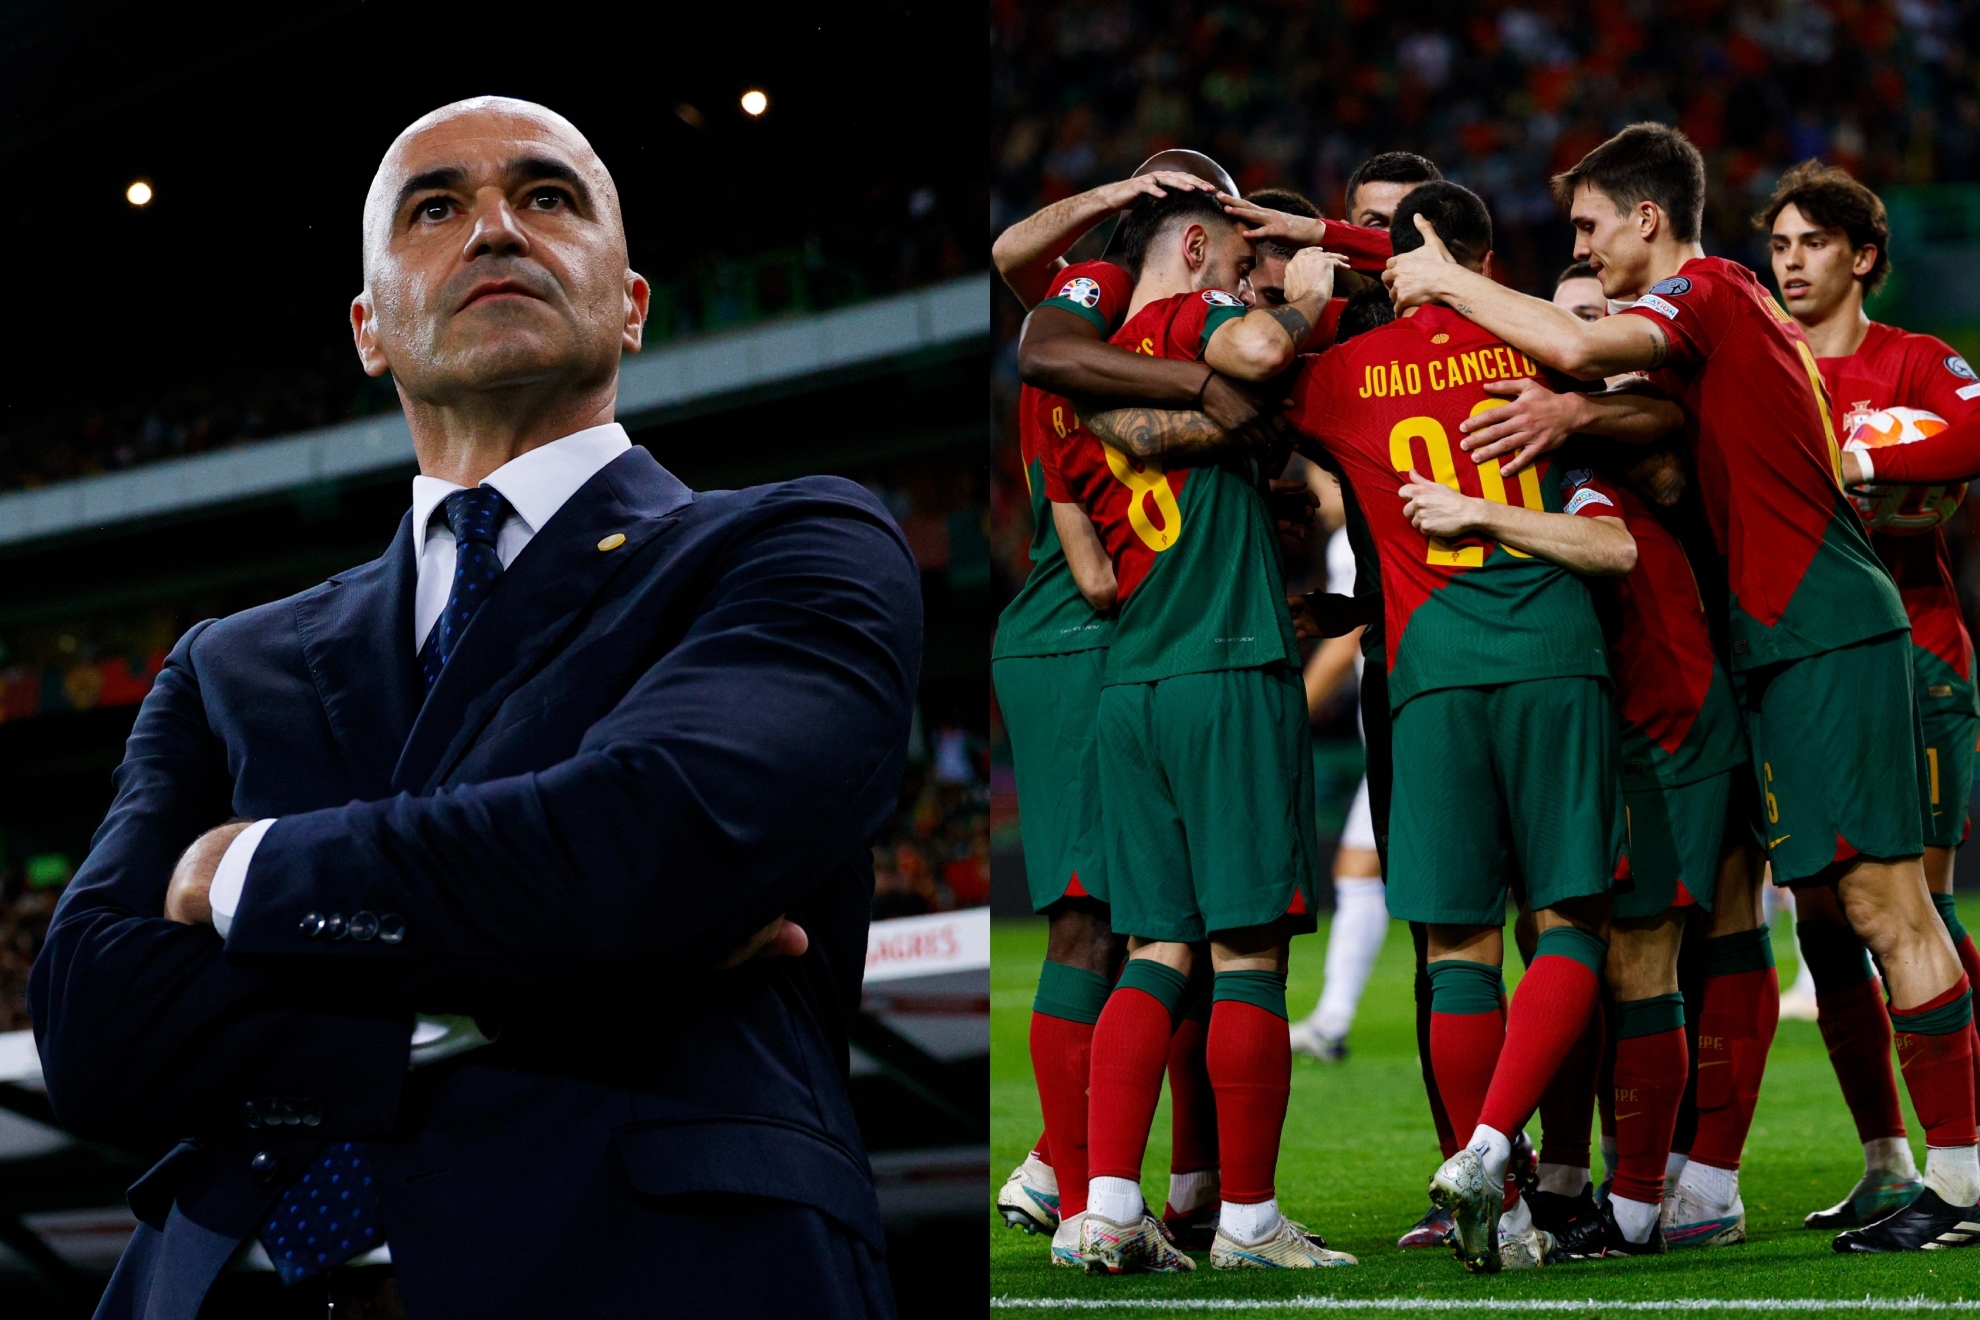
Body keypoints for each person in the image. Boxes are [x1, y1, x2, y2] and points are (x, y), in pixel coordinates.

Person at [28, 98, 921, 1320]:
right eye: (436, 208)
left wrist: (249, 874)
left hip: (653, 1276)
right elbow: (92, 1027)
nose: (495, 228)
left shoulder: (792, 546)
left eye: (548, 198)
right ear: (369, 330)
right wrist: (519, 978)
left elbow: (645, 846)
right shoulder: (227, 660)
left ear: (631, 305)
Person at [1392, 120, 1980, 1253]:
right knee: (1853, 909)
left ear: (1647, 219)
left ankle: (1959, 1183)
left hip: (1821, 626)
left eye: (1588, 226)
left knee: (1889, 904)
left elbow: (1579, 346)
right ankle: (1932, 1174)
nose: (1581, 246)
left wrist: (1448, 281)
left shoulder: (1704, 289)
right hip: (1786, 637)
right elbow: (1636, 404)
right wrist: (1577, 413)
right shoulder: (1729, 310)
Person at [1209, 181, 1639, 1273]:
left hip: (1430, 667)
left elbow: (1252, 375)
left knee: (1456, 949)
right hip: (1554, 650)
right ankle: (1502, 1156)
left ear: (1393, 262)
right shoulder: (1541, 343)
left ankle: (1495, 1207)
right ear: (1484, 258)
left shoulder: (1347, 374)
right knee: (1570, 922)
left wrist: (1317, 263)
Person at [1054, 185, 1354, 1272]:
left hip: (1132, 683)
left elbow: (1099, 567)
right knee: (1249, 957)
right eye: (1234, 257)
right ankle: (1250, 1223)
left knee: (1155, 950)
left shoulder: (1086, 392)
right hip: (1227, 670)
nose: (1245, 278)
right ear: (1194, 246)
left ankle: (1105, 1210)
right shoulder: (1195, 318)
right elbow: (1264, 347)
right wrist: (1308, 298)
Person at [1761, 159, 1980, 1231]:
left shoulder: (1917, 360)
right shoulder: (1765, 361)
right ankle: (1886, 1157)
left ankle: (1965, 1160)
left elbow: (1975, 435)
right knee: (1820, 917)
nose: (1792, 262)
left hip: (1916, 660)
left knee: (1914, 907)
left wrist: (1863, 465)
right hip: (1798, 671)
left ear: (1865, 257)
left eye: (1813, 243)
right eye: (1779, 245)